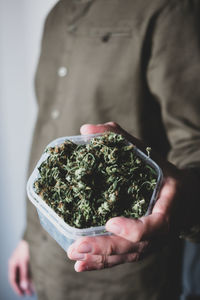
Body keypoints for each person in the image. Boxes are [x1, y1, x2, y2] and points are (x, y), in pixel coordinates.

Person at [8, 0, 200, 299]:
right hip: (47, 261)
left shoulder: (168, 9)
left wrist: (185, 204)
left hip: (120, 275)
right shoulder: (58, 14)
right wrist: (28, 237)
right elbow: (48, 126)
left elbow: (194, 142)